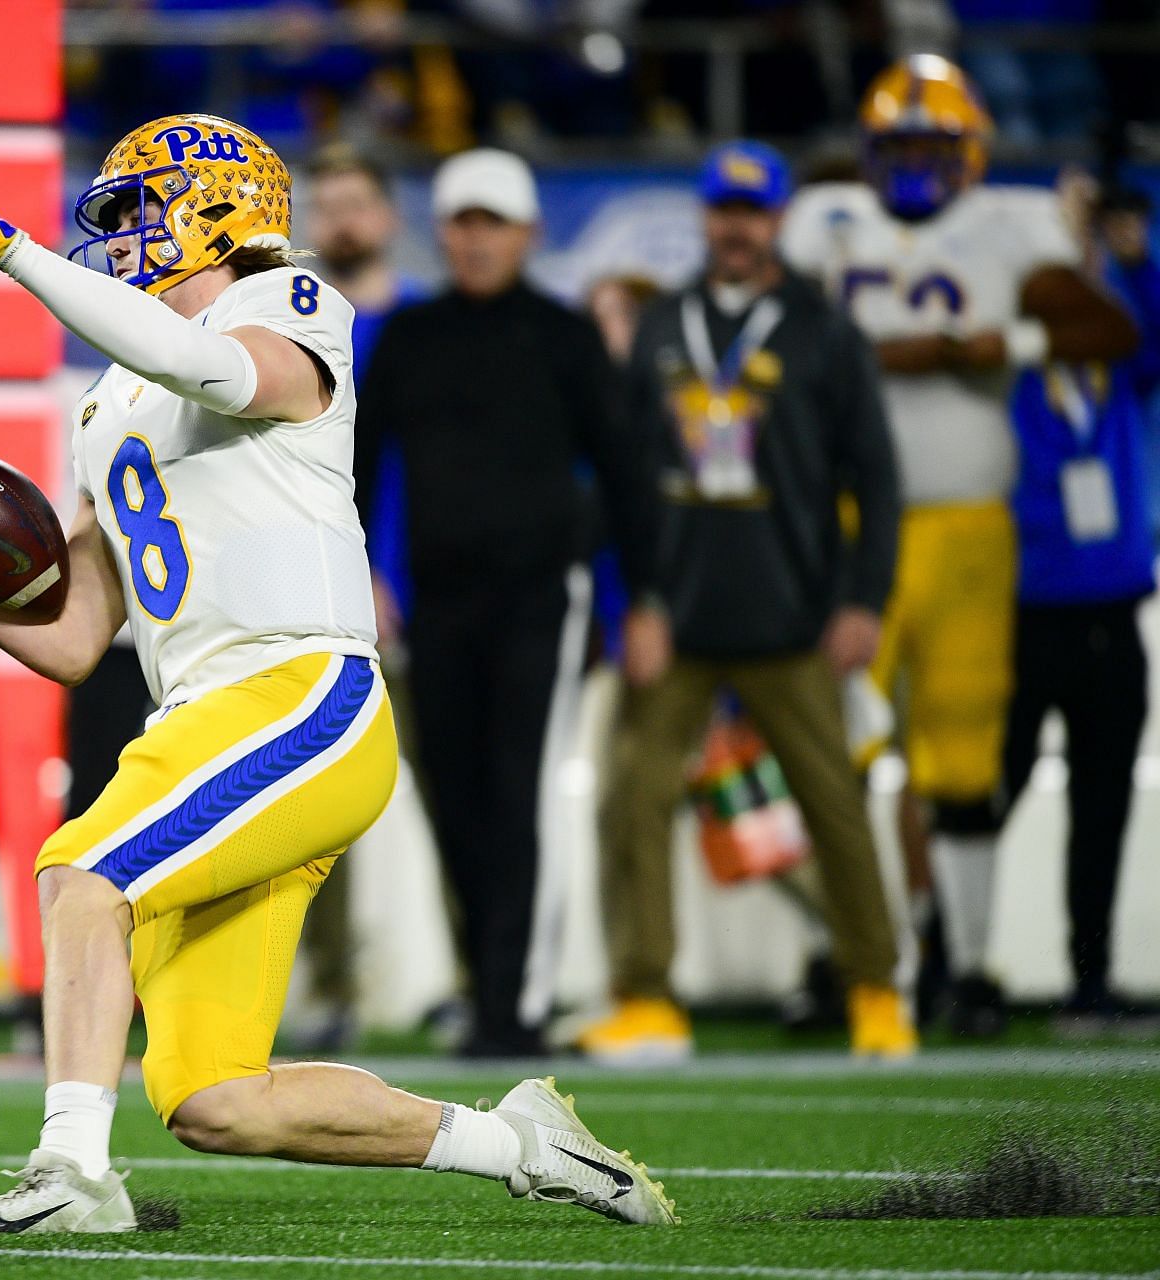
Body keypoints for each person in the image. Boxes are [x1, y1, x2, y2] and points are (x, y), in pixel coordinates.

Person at [0, 116, 676, 1236]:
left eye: (136, 207)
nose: (117, 235)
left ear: (216, 204)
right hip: (208, 721)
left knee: (80, 874)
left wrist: (14, 252)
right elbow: (70, 637)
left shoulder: (293, 305)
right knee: (212, 1098)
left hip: (299, 692)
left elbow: (210, 365)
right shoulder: (109, 401)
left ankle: (71, 1172)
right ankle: (522, 1141)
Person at [781, 55, 1138, 1036]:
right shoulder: (825, 223)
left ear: (972, 152)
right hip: (852, 526)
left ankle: (967, 968)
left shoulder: (1008, 229)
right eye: (897, 147)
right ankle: (843, 960)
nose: (913, 166)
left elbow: (1109, 330)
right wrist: (902, 352)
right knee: (830, 750)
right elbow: (791, 330)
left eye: (931, 147)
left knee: (966, 757)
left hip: (969, 526)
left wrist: (1008, 343)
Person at [583, 142, 914, 1061]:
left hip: (793, 615)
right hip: (676, 617)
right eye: (723, 210)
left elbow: (877, 476)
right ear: (705, 216)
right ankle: (647, 996)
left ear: (777, 220)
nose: (736, 227)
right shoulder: (660, 324)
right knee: (632, 797)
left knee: (833, 802)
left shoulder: (822, 327)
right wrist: (636, 603)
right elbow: (625, 481)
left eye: (752, 211)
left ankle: (877, 989)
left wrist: (864, 600)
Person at [354, 148, 658, 1057]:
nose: (477, 239)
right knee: (453, 794)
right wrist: (363, 569)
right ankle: (488, 991)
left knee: (518, 792)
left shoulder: (564, 336)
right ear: (441, 231)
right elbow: (356, 469)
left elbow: (626, 473)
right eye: (462, 222)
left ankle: (513, 1010)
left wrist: (642, 601)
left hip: (540, 598)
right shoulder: (410, 336)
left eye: (493, 223)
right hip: (437, 602)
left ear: (526, 233)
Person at [996, 175, 1158, 1032]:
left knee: (1104, 805)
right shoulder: (1011, 365)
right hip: (1022, 610)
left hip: (1112, 609)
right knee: (985, 797)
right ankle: (957, 967)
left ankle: (1088, 981)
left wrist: (1134, 253)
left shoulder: (1120, 356)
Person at [292, 141, 428, 1048]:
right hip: (319, 595)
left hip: (424, 596)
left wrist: (404, 578)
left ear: (386, 218)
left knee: (454, 791)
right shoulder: (293, 332)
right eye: (327, 203)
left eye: (356, 202)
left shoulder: (425, 327)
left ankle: (476, 986)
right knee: (315, 803)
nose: (342, 219)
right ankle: (333, 984)